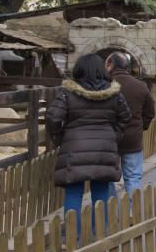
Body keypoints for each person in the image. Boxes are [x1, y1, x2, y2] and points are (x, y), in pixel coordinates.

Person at [46, 53, 131, 235]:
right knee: (101, 192)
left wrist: (60, 138)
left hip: (74, 148)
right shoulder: (114, 94)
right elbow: (125, 117)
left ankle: (72, 236)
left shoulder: (68, 93)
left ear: (79, 70)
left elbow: (53, 117)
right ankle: (100, 232)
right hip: (104, 149)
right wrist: (113, 136)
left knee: (73, 192)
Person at [104, 52, 155, 198]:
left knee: (107, 178)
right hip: (133, 138)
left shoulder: (105, 85)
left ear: (110, 65)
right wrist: (140, 127)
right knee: (133, 177)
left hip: (108, 138)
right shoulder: (140, 86)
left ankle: (110, 213)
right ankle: (133, 213)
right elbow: (150, 112)